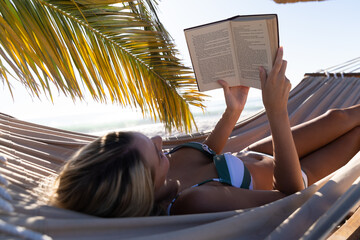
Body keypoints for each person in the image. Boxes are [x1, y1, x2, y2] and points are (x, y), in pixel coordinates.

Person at [49, 47, 360, 217]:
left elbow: (206, 156)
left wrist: (232, 112)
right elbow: (288, 197)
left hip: (260, 154)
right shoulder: (191, 202)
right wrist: (277, 113)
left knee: (339, 115)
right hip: (294, 173)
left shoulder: (164, 175)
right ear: (143, 189)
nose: (161, 140)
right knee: (354, 134)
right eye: (156, 152)